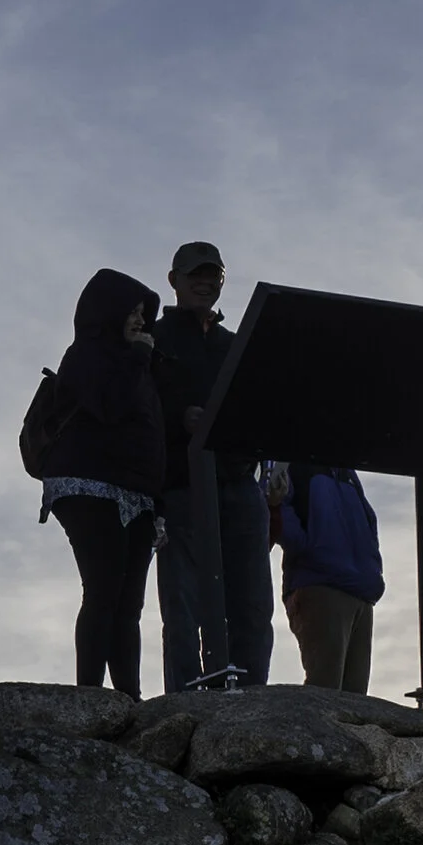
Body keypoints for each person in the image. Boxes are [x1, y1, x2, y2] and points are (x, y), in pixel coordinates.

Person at [33, 268, 167, 695]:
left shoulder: (140, 364)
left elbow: (152, 433)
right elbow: (110, 405)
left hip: (138, 495)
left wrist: (157, 501)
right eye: (131, 311)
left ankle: (129, 696)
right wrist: (138, 358)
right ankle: (88, 694)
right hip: (89, 487)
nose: (138, 320)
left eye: (143, 313)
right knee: (104, 590)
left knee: (128, 605)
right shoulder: (86, 356)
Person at [151, 241, 274, 690]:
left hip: (241, 487)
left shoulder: (235, 344)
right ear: (175, 281)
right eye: (195, 275)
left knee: (253, 605)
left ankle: (248, 697)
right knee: (182, 606)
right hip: (181, 490)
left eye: (213, 276)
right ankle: (185, 699)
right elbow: (139, 413)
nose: (205, 283)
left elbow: (263, 404)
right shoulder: (154, 340)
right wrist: (179, 418)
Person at [273, 464, 383, 694]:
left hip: (359, 589)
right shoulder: (293, 464)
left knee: (356, 699)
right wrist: (311, 551)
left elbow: (368, 521)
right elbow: (277, 506)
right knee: (325, 689)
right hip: (319, 585)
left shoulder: (346, 470)